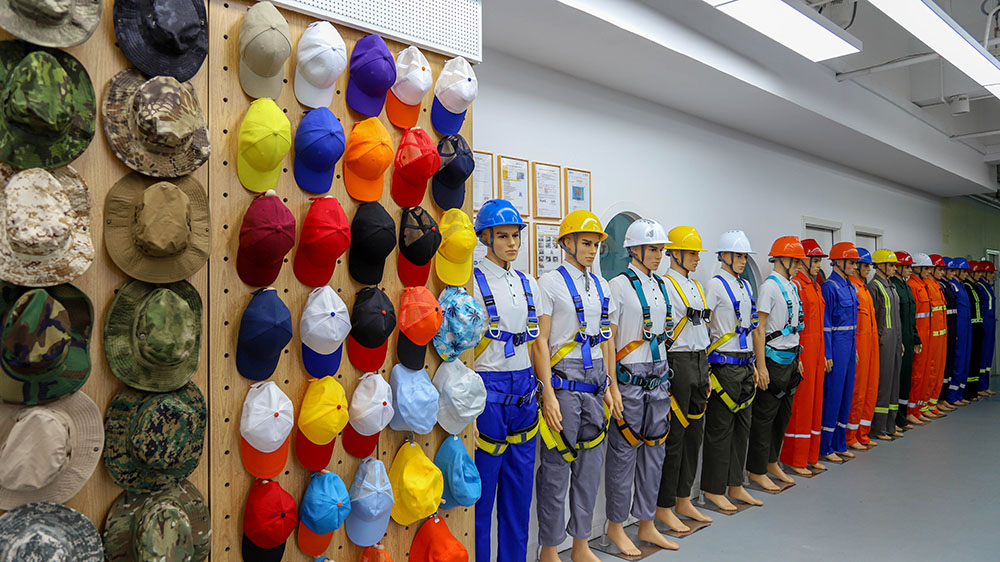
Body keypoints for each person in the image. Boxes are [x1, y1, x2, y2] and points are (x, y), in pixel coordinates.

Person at [535, 210, 618, 562]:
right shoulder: (549, 283)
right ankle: (550, 548)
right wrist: (548, 394)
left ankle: (581, 545)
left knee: (588, 471)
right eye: (586, 243)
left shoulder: (601, 286)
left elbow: (606, 340)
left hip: (596, 384)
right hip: (564, 386)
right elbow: (540, 342)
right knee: (556, 470)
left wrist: (610, 386)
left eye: (596, 245)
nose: (592, 251)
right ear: (566, 243)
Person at [471, 199, 548, 562]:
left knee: (519, 497)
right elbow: (461, 351)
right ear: (485, 238)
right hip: (487, 394)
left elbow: (538, 344)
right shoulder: (472, 283)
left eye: (515, 235)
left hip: (525, 395)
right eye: (502, 236)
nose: (512, 243)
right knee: (481, 499)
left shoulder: (528, 282)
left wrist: (548, 395)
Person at [605, 218, 677, 555]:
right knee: (623, 455)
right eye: (652, 249)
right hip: (629, 379)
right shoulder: (618, 286)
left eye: (660, 249)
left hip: (659, 377)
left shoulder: (662, 286)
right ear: (634, 250)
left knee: (655, 452)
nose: (658, 255)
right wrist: (612, 386)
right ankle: (616, 526)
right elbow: (609, 340)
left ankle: (647, 523)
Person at [655, 226, 713, 532]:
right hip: (677, 363)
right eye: (691, 253)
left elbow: (702, 330)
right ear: (674, 253)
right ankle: (664, 506)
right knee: (675, 438)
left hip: (700, 362)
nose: (696, 258)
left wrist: (707, 372)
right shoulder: (664, 285)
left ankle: (683, 498)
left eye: (697, 254)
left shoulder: (696, 286)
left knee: (694, 437)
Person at [701, 230, 763, 511]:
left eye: (745, 257)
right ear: (724, 256)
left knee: (742, 428)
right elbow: (704, 327)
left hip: (745, 364)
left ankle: (735, 484)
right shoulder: (714, 286)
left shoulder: (746, 286)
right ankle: (714, 489)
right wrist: (705, 369)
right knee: (720, 430)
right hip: (723, 366)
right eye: (738, 256)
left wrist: (756, 364)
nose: (742, 261)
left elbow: (752, 326)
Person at [747, 236, 805, 491]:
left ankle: (772, 462)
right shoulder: (769, 287)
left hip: (791, 359)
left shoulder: (791, 286)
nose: (799, 265)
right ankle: (757, 470)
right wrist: (761, 367)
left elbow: (794, 326)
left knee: (783, 416)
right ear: (783, 260)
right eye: (796, 261)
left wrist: (798, 358)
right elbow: (759, 329)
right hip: (773, 361)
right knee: (764, 418)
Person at [780, 239, 828, 474]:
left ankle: (811, 454)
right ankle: (795, 458)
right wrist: (798, 355)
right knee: (801, 404)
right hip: (804, 348)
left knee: (816, 402)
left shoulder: (815, 285)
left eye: (819, 261)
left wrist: (825, 353)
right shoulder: (796, 285)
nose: (818, 265)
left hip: (818, 349)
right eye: (815, 261)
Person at [819, 242, 860, 461]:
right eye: (851, 262)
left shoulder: (850, 286)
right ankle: (826, 446)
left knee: (846, 394)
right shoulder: (830, 287)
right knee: (833, 395)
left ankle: (840, 442)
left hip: (850, 345)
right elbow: (826, 324)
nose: (855, 266)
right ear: (839, 262)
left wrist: (855, 349)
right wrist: (828, 353)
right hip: (836, 346)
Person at [846, 248, 881, 449]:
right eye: (865, 265)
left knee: (870, 388)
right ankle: (850, 435)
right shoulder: (852, 286)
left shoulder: (864, 287)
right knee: (857, 391)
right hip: (859, 344)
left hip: (871, 344)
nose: (869, 269)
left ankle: (862, 432)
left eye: (870, 266)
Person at [869, 250, 903, 440]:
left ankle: (891, 424)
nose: (894, 268)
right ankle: (879, 427)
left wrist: (900, 341)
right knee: (883, 384)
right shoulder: (874, 287)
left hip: (895, 340)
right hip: (884, 342)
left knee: (894, 382)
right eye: (891, 265)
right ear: (880, 266)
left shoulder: (892, 286)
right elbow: (873, 320)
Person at [890, 252, 921, 430]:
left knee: (906, 379)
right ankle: (895, 419)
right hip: (899, 340)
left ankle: (903, 416)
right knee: (898, 380)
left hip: (908, 339)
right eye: (907, 267)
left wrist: (915, 338)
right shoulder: (894, 286)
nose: (910, 270)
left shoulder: (906, 286)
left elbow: (911, 317)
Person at [914, 253, 947, 419]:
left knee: (936, 371)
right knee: (926, 372)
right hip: (928, 336)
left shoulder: (935, 286)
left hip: (939, 335)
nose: (929, 271)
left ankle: (931, 404)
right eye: (926, 268)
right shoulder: (921, 286)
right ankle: (921, 406)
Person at [943, 258, 972, 408]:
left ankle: (959, 393)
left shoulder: (961, 286)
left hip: (966, 326)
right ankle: (951, 395)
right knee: (958, 359)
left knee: (965, 359)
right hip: (959, 327)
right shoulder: (952, 286)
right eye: (964, 271)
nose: (966, 274)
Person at [935, 256, 958, 412]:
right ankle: (940, 399)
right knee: (941, 367)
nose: (950, 273)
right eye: (943, 270)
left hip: (948, 328)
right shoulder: (941, 286)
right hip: (941, 330)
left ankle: (944, 398)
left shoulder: (947, 286)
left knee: (948, 364)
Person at [963, 261, 985, 402]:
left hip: (978, 327)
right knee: (971, 359)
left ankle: (974, 390)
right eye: (978, 272)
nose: (980, 275)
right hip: (971, 327)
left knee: (977, 358)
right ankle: (969, 391)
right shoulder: (966, 287)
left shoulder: (975, 287)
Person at [974, 261, 996, 397]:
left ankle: (985, 385)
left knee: (988, 354)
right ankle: (980, 386)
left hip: (991, 323)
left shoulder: (987, 286)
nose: (993, 275)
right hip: (985, 323)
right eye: (991, 273)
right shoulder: (979, 286)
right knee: (982, 354)